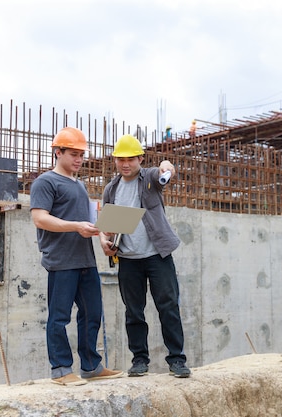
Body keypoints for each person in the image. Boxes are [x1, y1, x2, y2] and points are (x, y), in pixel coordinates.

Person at [30, 127, 123, 386]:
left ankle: (91, 365)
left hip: (85, 260)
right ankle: (60, 370)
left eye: (81, 154)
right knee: (59, 317)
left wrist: (104, 238)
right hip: (61, 261)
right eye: (73, 154)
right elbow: (40, 218)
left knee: (92, 313)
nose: (79, 159)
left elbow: (90, 222)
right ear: (57, 152)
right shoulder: (45, 182)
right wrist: (75, 226)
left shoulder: (80, 185)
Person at [99, 134, 191, 378]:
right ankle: (139, 359)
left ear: (140, 158)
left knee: (168, 306)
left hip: (156, 256)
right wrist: (104, 242)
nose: (125, 164)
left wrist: (167, 167)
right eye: (120, 159)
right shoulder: (112, 189)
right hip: (128, 259)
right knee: (134, 311)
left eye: (130, 159)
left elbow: (166, 169)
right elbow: (106, 227)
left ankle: (177, 360)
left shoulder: (150, 177)